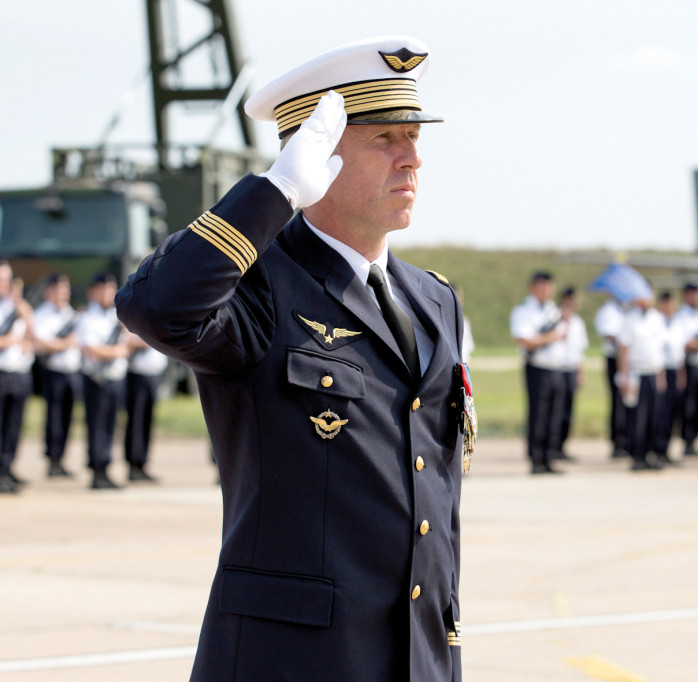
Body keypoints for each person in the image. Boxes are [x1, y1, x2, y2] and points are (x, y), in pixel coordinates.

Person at [116, 37, 467, 681]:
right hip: (295, 661)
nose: (412, 158)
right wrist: (273, 193)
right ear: (320, 154)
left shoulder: (433, 301)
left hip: (416, 658)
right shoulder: (258, 286)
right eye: (385, 138)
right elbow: (155, 307)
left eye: (414, 136)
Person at [511, 271, 567, 474]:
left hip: (556, 367)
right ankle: (536, 459)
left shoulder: (554, 311)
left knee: (555, 414)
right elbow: (525, 340)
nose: (547, 290)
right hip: (537, 368)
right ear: (533, 287)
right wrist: (550, 338)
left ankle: (549, 456)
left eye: (549, 286)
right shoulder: (524, 311)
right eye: (542, 286)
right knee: (538, 414)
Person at [78, 273, 129, 489]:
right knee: (97, 425)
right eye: (103, 289)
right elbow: (91, 349)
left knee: (110, 426)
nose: (107, 293)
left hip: (116, 378)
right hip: (97, 380)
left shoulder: (115, 316)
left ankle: (105, 467)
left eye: (110, 289)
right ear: (92, 292)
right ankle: (97, 470)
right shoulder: (87, 317)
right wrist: (116, 351)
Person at [32, 273, 82, 478]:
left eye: (65, 289)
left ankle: (61, 458)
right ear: (48, 292)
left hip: (72, 371)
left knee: (68, 417)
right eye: (58, 289)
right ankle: (52, 459)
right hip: (53, 372)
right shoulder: (41, 314)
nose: (62, 294)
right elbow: (41, 343)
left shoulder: (70, 313)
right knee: (54, 417)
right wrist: (63, 344)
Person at [617, 293, 668, 471]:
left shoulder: (657, 318)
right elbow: (623, 349)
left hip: (653, 371)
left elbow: (660, 348)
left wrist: (661, 375)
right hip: (636, 373)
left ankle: (651, 453)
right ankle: (637, 455)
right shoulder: (629, 319)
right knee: (638, 417)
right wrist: (624, 377)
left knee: (654, 416)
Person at [0, 266, 34, 493]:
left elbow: (33, 337)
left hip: (18, 373)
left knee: (13, 426)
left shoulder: (14, 307)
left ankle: (6, 468)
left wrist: (26, 315)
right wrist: (8, 340)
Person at [124, 332, 168, 482]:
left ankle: (142, 462)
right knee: (137, 420)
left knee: (147, 421)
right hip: (138, 374)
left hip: (153, 374)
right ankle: (134, 464)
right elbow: (128, 340)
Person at [554, 287, 588, 461]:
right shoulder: (554, 318)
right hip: (558, 368)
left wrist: (580, 372)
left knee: (568, 411)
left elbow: (579, 350)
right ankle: (551, 445)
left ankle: (561, 446)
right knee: (555, 410)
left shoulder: (578, 323)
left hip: (571, 370)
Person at [677, 283, 698, 456]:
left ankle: (694, 440)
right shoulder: (681, 316)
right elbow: (686, 344)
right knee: (688, 405)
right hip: (688, 365)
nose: (696, 297)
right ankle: (686, 440)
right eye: (692, 294)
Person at [594, 294, 628, 458]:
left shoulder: (627, 310)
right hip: (615, 358)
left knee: (631, 401)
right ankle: (618, 441)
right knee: (618, 402)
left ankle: (629, 439)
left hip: (630, 359)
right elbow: (609, 334)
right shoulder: (608, 311)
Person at [653, 291, 684, 464]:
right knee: (660, 412)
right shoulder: (656, 323)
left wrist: (681, 376)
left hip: (675, 371)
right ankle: (656, 448)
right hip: (661, 371)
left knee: (673, 413)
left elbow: (679, 354)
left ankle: (666, 449)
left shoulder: (677, 324)